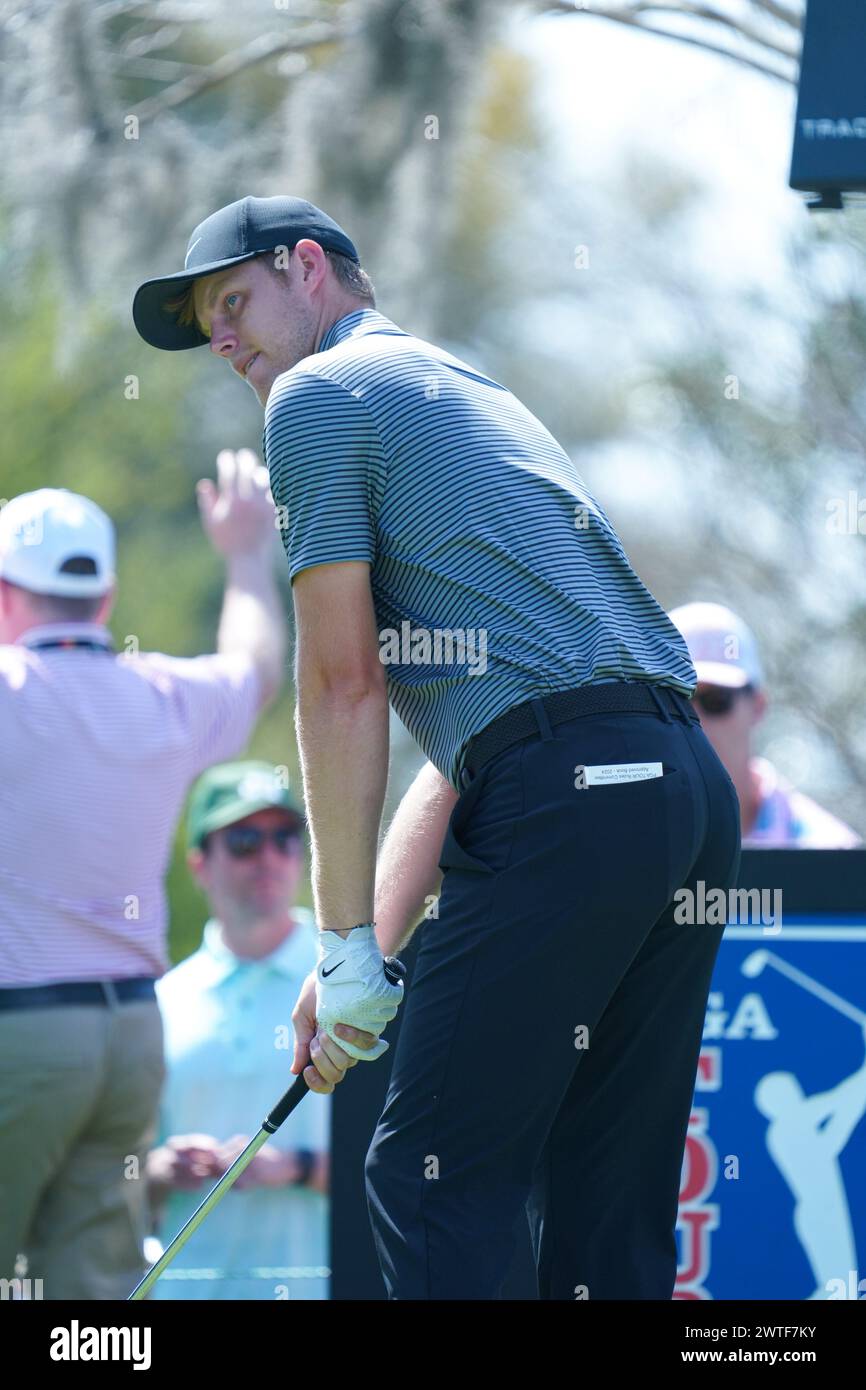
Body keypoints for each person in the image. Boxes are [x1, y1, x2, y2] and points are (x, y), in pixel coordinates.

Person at [133, 194, 741, 1300]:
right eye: (207, 325)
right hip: (674, 793)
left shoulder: (314, 394)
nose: (222, 341)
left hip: (571, 788)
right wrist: (353, 946)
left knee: (431, 1183)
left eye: (232, 302)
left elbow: (339, 682)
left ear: (307, 266)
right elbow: (475, 750)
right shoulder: (458, 383)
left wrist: (340, 937)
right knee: (607, 1204)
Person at [0, 456, 286, 1300]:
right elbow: (257, 661)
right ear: (108, 599)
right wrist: (243, 554)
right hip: (129, 1034)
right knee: (88, 1296)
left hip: (22, 1031)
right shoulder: (161, 695)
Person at [146, 760, 330, 1301]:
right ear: (200, 864)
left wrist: (295, 1168)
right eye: (245, 840)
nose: (269, 857)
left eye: (284, 837)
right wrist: (159, 1169)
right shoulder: (162, 1001)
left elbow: (408, 1164)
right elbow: (107, 1175)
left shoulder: (348, 987)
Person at [668, 602, 861, 848]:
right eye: (673, 702)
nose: (693, 721)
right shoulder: (616, 847)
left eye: (715, 700)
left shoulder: (832, 855)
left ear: (757, 706)